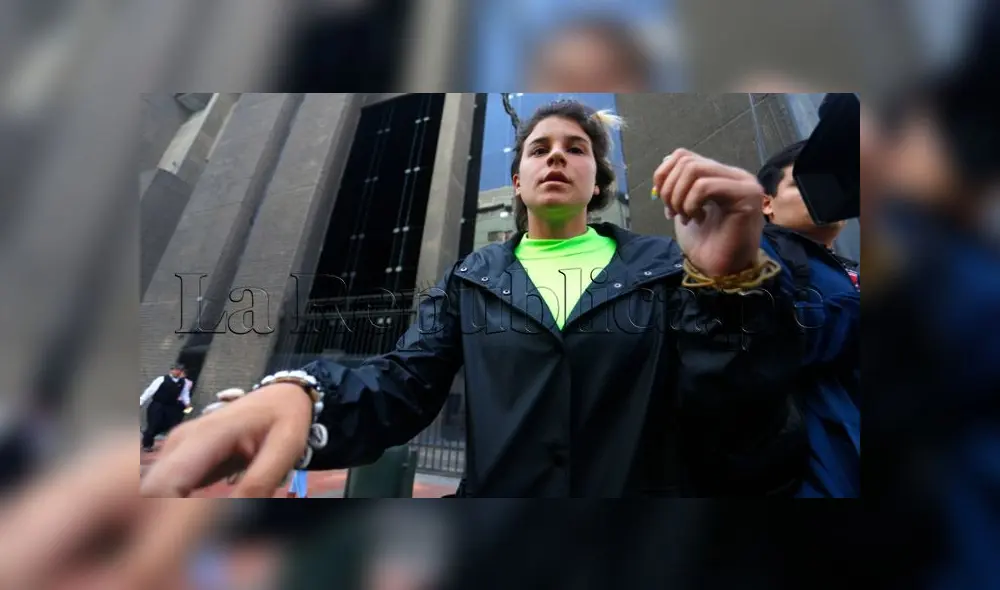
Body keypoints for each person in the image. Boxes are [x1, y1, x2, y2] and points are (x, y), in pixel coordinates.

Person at [141, 99, 812, 499]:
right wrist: (305, 393)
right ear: (517, 181)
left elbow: (743, 424)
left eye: (575, 149)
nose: (556, 157)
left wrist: (732, 286)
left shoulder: (667, 267)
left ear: (598, 180)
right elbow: (401, 384)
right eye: (539, 149)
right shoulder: (473, 278)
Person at [755, 140, 861, 498]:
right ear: (766, 204)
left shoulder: (849, 269)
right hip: (828, 465)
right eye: (803, 183)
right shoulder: (755, 255)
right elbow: (779, 337)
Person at [140, 363, 192, 452]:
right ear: (171, 370)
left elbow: (184, 394)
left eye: (179, 370)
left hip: (171, 406)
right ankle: (147, 444)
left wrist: (187, 403)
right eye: (175, 369)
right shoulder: (161, 379)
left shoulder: (183, 382)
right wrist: (141, 401)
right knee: (154, 424)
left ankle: (148, 434)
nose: (177, 371)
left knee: (169, 424)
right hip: (157, 405)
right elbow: (150, 391)